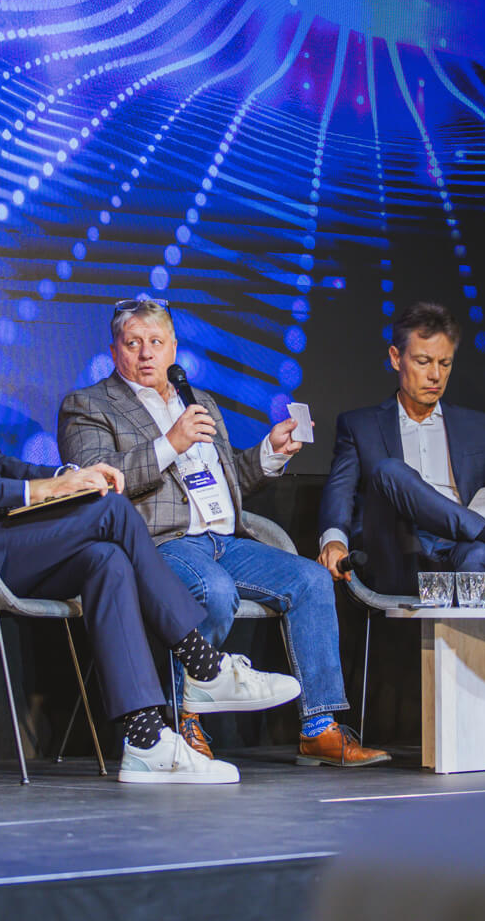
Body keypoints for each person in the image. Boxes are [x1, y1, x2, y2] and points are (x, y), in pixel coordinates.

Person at [0, 229, 301, 784]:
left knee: (106, 558)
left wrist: (65, 478)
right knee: (112, 512)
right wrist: (42, 494)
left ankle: (145, 742)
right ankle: (202, 663)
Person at [57, 298, 389, 767]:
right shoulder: (88, 405)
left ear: (174, 348)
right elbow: (97, 479)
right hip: (157, 544)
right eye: (133, 344)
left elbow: (226, 478)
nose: (146, 353)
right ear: (114, 351)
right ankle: (183, 721)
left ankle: (319, 728)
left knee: (312, 580)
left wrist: (270, 452)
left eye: (156, 342)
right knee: (213, 591)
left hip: (226, 541)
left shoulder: (198, 401)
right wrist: (169, 443)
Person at [318, 301, 485, 596]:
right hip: (395, 554)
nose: (435, 375)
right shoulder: (360, 426)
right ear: (396, 358)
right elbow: (339, 494)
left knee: (478, 555)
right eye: (423, 362)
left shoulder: (478, 427)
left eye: (445, 363)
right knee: (389, 471)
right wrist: (334, 542)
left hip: (460, 549)